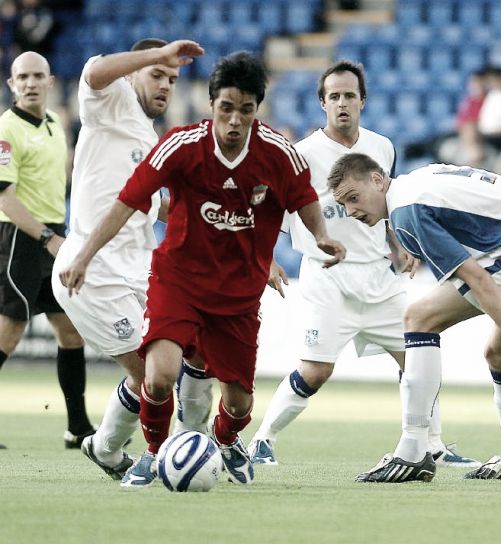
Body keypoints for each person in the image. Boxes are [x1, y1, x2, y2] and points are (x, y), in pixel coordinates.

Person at [59, 51, 346, 488]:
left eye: (245, 111)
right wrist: (83, 255)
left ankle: (224, 440)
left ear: (257, 111)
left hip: (237, 295)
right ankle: (154, 456)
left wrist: (320, 234)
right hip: (179, 282)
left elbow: (302, 195)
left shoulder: (278, 153)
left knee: (240, 402)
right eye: (226, 108)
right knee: (157, 377)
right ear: (211, 104)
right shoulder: (180, 145)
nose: (234, 121)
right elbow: (131, 199)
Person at [247, 60, 480, 469]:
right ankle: (263, 439)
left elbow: (383, 202)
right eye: (333, 96)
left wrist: (397, 244)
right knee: (316, 371)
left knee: (416, 356)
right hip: (327, 275)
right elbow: (269, 209)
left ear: (362, 101)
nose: (342, 103)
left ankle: (433, 444)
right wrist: (264, 257)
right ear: (322, 103)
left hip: (379, 274)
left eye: (349, 96)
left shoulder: (382, 146)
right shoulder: (301, 155)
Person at [328, 154, 501, 482]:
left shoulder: (405, 211)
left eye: (353, 198)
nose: (351, 211)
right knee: (498, 355)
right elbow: (482, 222)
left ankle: (414, 450)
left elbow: (479, 279)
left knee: (418, 318)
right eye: (344, 204)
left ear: (377, 180)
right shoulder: (418, 183)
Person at [50, 38, 204, 479]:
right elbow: (94, 71)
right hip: (91, 271)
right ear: (135, 72)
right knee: (152, 374)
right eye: (158, 75)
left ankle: (105, 447)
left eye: (172, 80)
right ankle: (168, 449)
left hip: (139, 271)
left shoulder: (149, 136)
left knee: (167, 369)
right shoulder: (110, 101)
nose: (165, 85)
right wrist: (157, 54)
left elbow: (154, 208)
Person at [0, 51, 94, 448]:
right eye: (23, 76)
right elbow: (4, 196)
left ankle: (77, 427)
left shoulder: (56, 122)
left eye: (39, 75)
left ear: (51, 81)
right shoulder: (6, 129)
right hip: (22, 238)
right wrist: (47, 238)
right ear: (12, 84)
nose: (31, 82)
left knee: (70, 331)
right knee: (10, 330)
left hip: (55, 234)